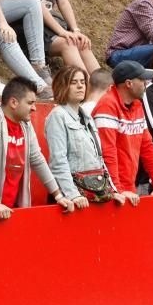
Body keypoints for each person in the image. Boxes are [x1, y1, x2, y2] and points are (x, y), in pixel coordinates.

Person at [0, 77, 74, 218]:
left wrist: (57, 194)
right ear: (13, 102)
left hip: (13, 207)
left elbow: (37, 159)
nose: (34, 108)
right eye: (30, 103)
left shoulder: (24, 123)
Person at [93, 61, 153, 200]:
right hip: (110, 193)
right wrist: (117, 189)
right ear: (129, 84)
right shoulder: (107, 105)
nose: (146, 83)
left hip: (127, 188)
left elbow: (147, 147)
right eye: (142, 79)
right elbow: (107, 152)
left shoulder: (137, 105)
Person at [45, 66, 114, 208]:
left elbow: (99, 159)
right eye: (73, 82)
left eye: (82, 82)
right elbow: (58, 161)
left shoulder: (86, 116)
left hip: (93, 192)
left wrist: (112, 190)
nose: (80, 86)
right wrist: (72, 194)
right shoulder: (58, 116)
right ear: (62, 86)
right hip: (71, 198)